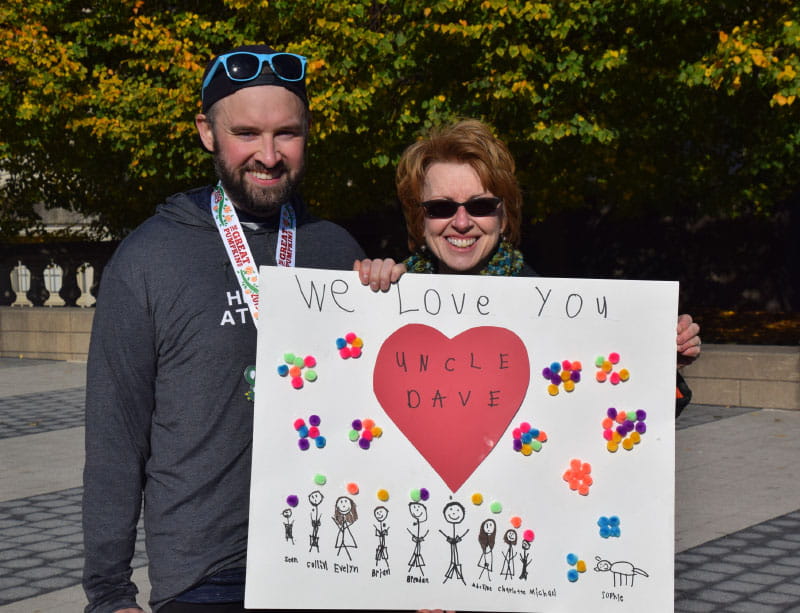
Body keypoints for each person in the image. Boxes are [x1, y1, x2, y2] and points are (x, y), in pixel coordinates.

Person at [81, 44, 368, 613]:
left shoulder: (339, 252)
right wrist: (109, 593)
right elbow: (115, 434)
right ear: (207, 132)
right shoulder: (149, 257)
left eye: (287, 133)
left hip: (331, 558)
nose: (268, 154)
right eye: (247, 133)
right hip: (205, 576)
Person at [355, 119, 702, 411]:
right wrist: (364, 300)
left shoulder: (554, 313)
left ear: (504, 218)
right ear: (421, 220)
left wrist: (656, 364)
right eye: (441, 208)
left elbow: (602, 417)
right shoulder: (388, 299)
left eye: (481, 206)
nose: (461, 222)